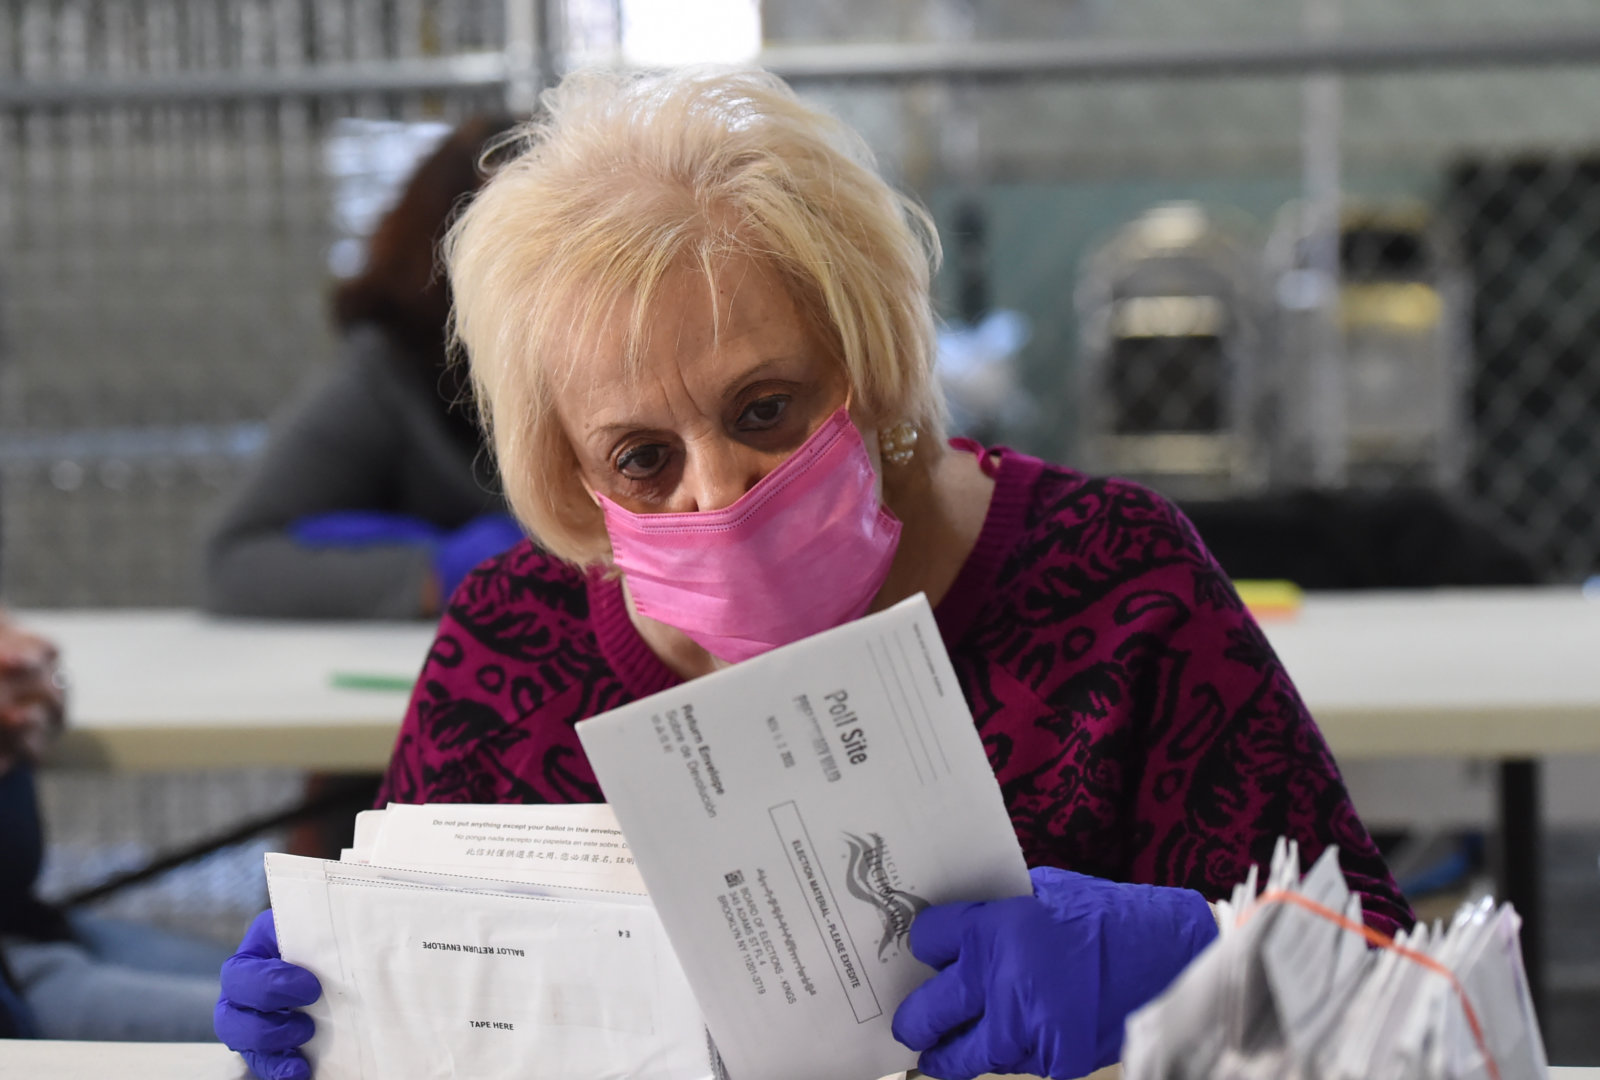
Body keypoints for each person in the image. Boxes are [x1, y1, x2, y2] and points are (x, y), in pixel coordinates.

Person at [215, 67, 1412, 1080]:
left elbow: (1396, 997)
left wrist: (1207, 960)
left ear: (870, 364)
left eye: (766, 408)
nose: (717, 490)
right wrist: (345, 1008)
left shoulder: (1113, 585)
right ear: (568, 475)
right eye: (641, 457)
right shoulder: (512, 648)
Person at [202, 116, 526, 620]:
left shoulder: (636, 358)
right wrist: (433, 575)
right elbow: (235, 564)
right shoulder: (392, 377)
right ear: (445, 255)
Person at [0, 610, 229, 1041]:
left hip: (29, 926)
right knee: (332, 1028)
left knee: (321, 987)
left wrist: (27, 678)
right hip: (16, 1002)